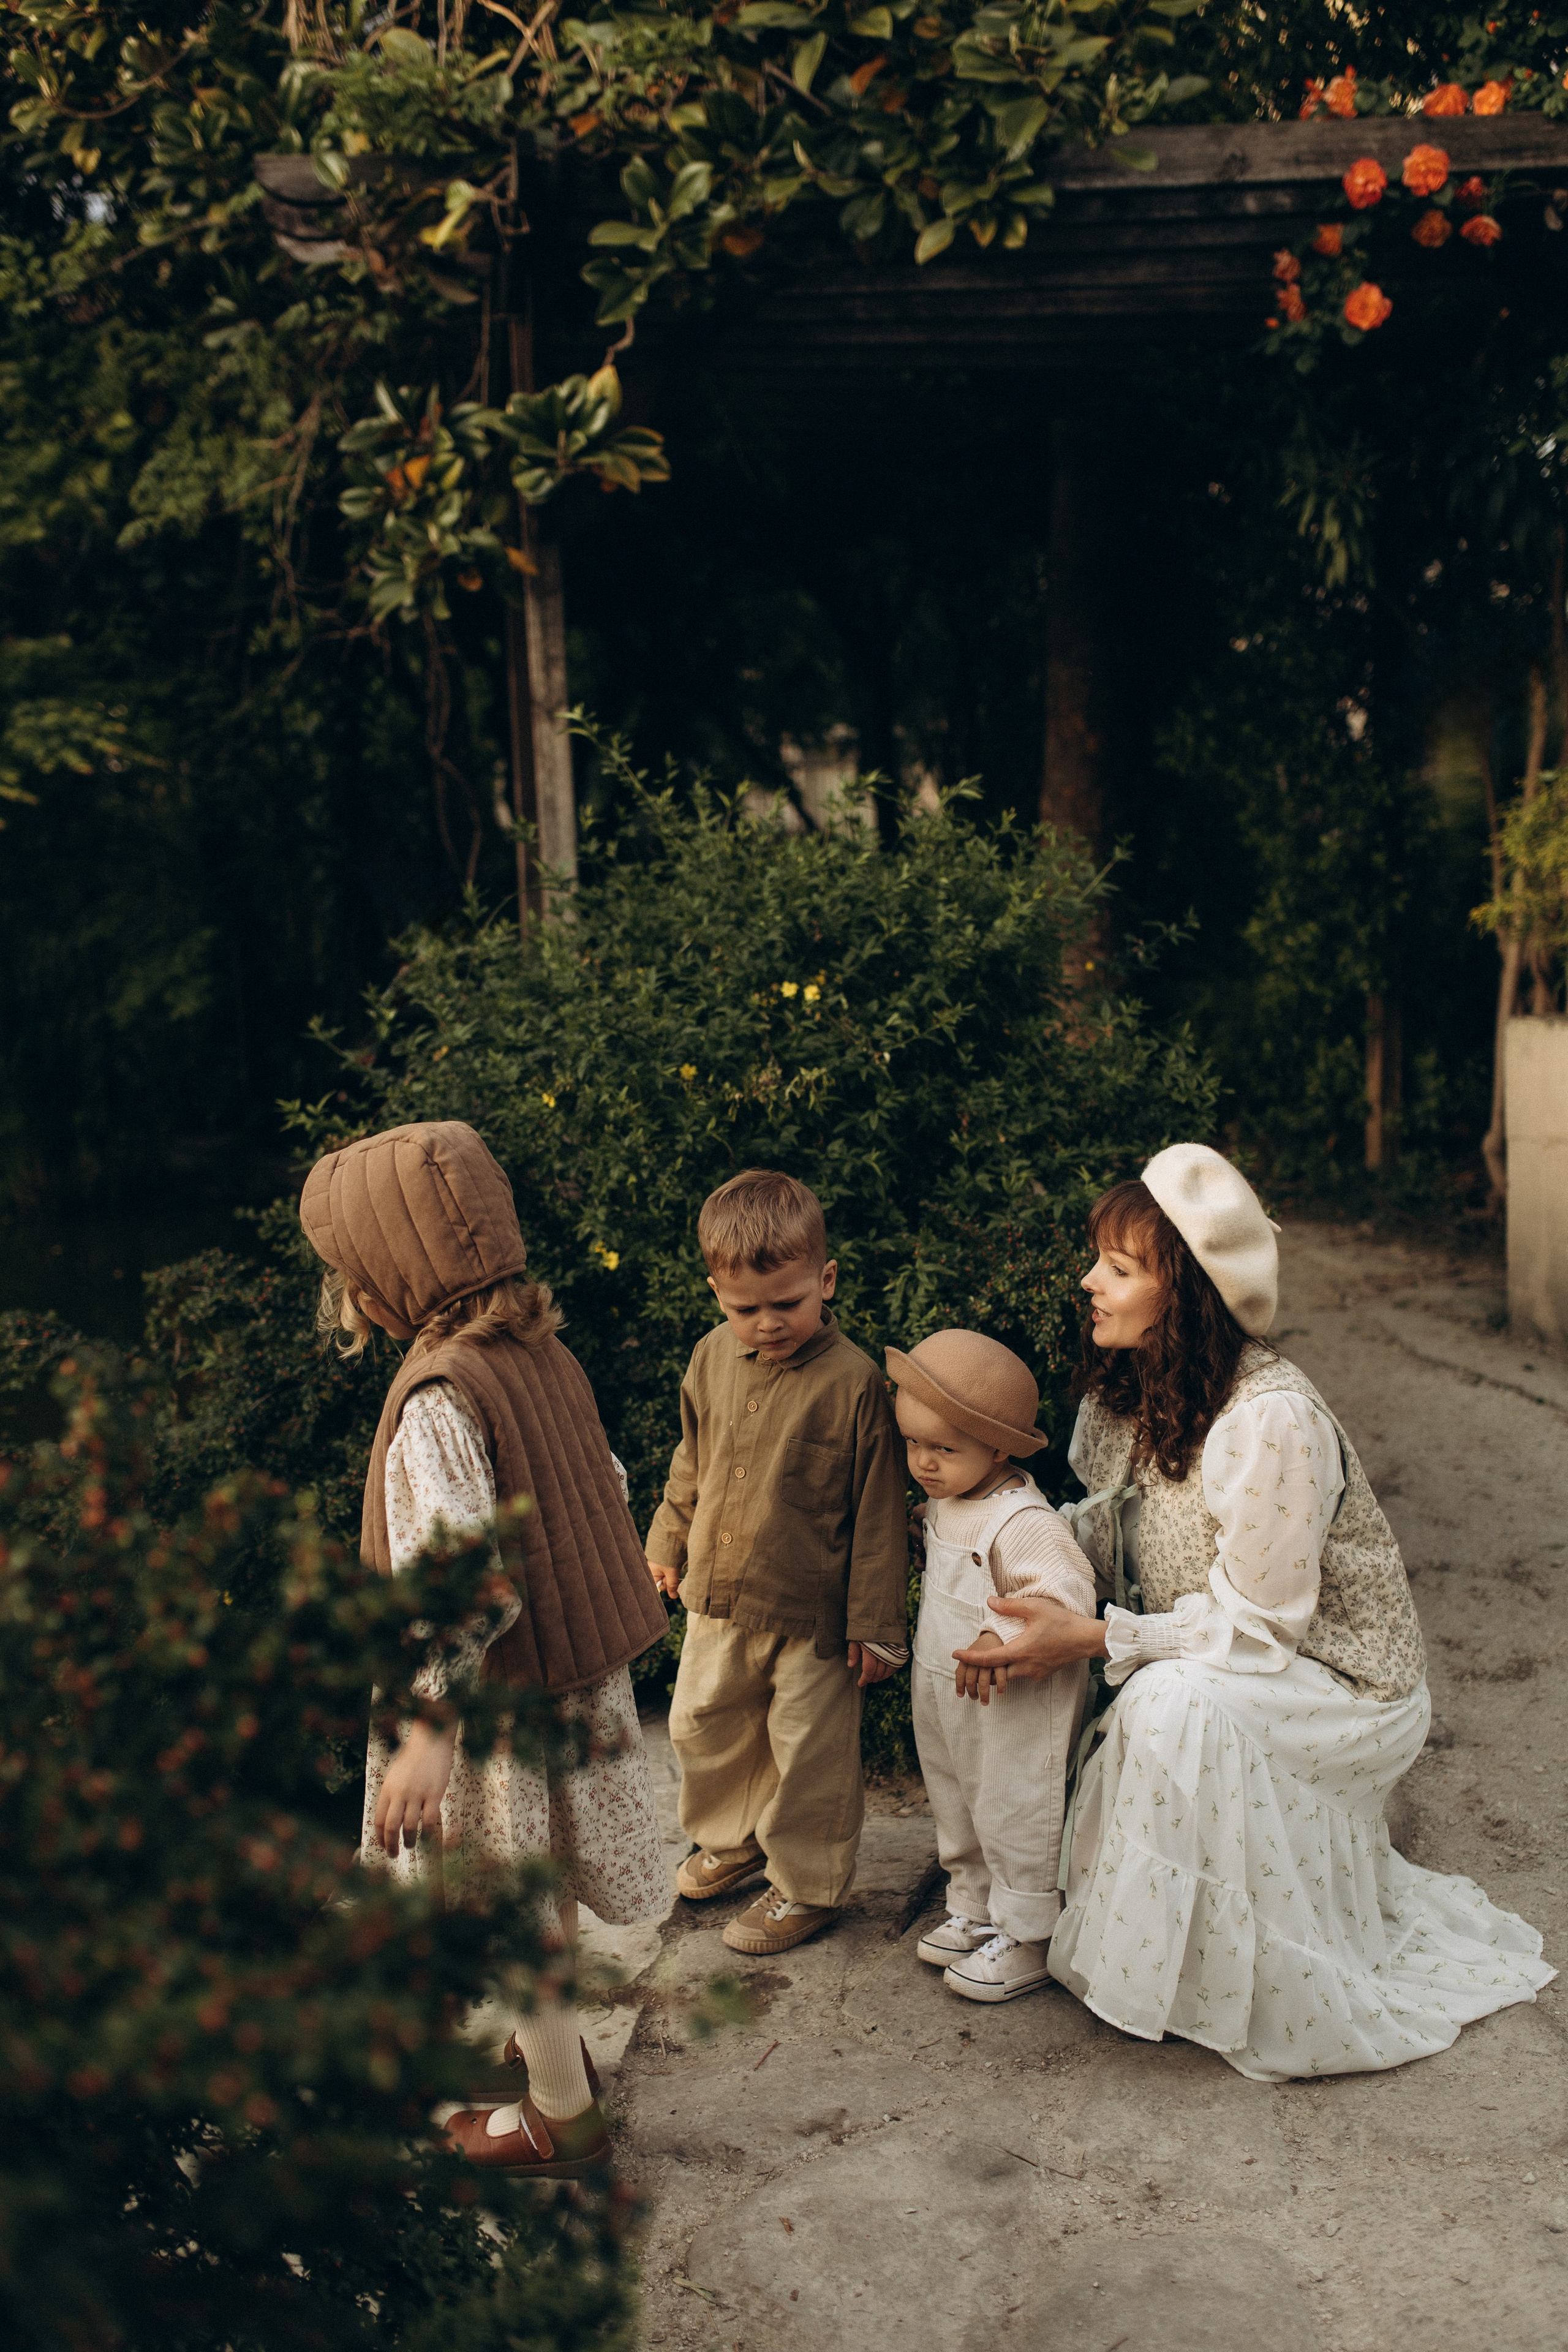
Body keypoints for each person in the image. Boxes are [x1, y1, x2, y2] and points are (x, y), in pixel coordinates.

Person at [952, 1144, 1554, 2081]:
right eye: (1097, 1261)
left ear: (1184, 1289)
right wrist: (990, 1533)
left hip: (1343, 1681)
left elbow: (1261, 1627)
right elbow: (1104, 1537)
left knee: (1168, 1704)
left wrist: (1100, 1636)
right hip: (1224, 1649)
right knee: (1029, 1610)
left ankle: (1218, 1978)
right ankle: (1016, 1906)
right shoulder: (1123, 1396)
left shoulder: (1269, 1419)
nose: (1089, 1283)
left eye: (1118, 1268)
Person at [300, 1119, 672, 2174]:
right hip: (568, 1679)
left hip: (487, 1706)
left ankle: (560, 2116)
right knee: (534, 1876)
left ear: (391, 1278)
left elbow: (464, 1593)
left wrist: (425, 1733)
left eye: (348, 1270)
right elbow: (606, 1487)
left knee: (501, 1900)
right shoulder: (537, 1354)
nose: (345, 1292)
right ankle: (543, 2047)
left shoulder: (435, 1399)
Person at [646, 1169, 910, 1956]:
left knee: (808, 1754)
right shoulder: (708, 1359)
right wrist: (666, 1539)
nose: (766, 1323)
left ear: (825, 1281)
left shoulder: (856, 1384)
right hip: (719, 1596)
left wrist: (876, 1626)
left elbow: (877, 1517)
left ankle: (807, 1885)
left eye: (786, 1304)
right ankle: (734, 1840)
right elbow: (691, 1458)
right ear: (715, 1294)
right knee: (700, 1722)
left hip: (813, 1616)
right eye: (744, 1309)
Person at [889, 1329, 1096, 2003]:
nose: (924, 1462)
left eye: (943, 1449)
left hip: (1011, 1702)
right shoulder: (952, 1498)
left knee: (1012, 1805)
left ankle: (1031, 1932)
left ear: (998, 1446)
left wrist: (995, 1629)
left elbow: (1061, 1594)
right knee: (956, 1800)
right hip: (949, 1694)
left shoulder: (1020, 1520)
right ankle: (975, 1907)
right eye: (913, 1443)